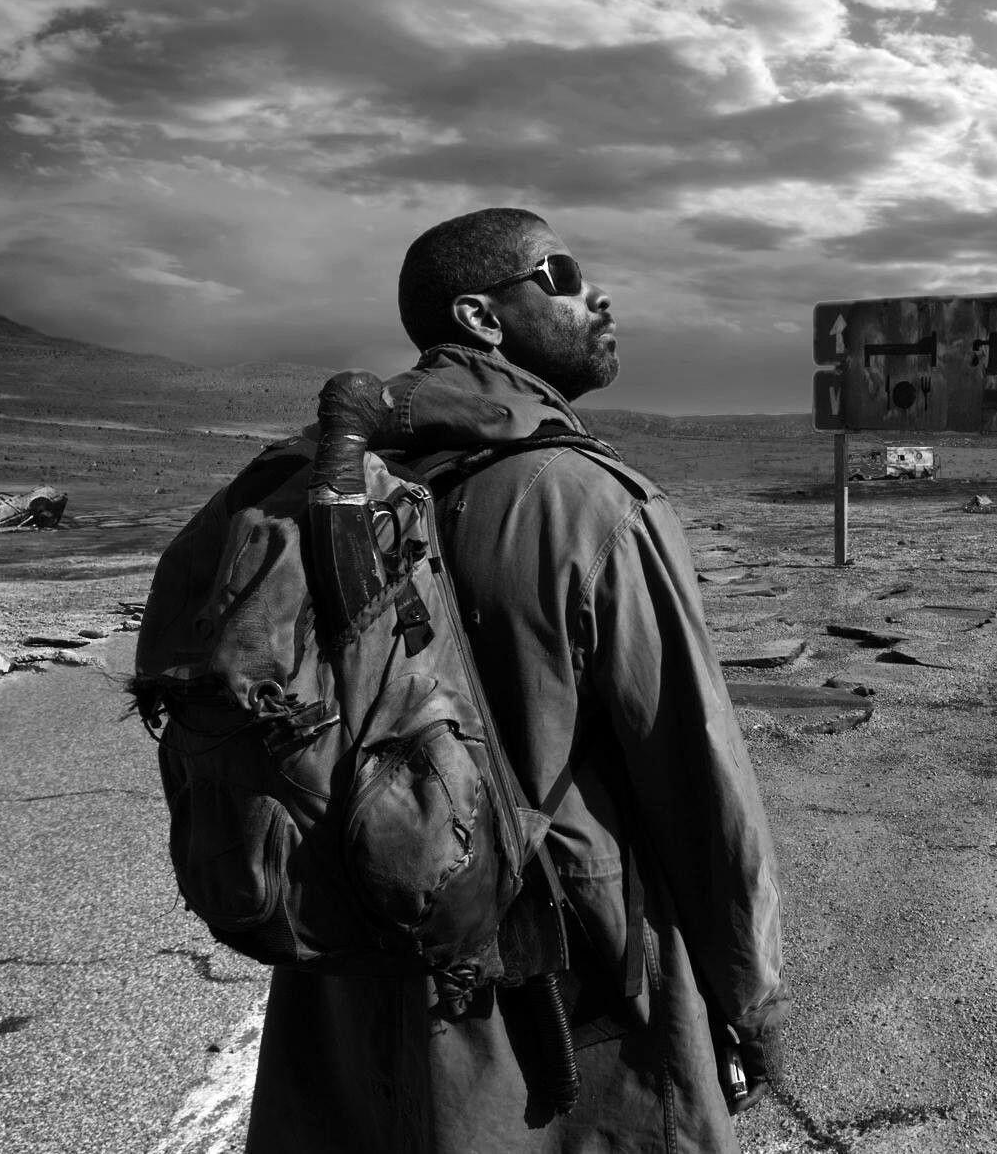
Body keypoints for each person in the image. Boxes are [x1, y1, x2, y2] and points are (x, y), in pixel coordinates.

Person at [245, 208, 789, 1153]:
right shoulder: (587, 501)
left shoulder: (316, 490)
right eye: (562, 273)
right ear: (481, 318)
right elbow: (697, 784)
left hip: (346, 979)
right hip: (551, 995)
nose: (597, 294)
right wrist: (751, 997)